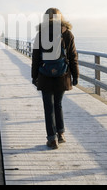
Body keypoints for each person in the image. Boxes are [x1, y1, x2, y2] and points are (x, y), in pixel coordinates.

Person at [31, 8, 79, 149]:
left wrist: (34, 76)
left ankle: (52, 139)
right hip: (62, 75)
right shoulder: (67, 34)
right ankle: (61, 134)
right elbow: (73, 57)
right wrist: (75, 75)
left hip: (45, 75)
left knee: (48, 106)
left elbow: (35, 58)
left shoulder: (40, 34)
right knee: (58, 104)